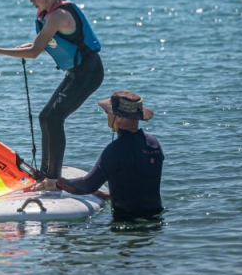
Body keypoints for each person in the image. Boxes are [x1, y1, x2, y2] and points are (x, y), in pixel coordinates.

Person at [0, 0, 103, 189]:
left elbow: (35, 52)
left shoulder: (58, 15)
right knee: (46, 116)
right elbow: (47, 45)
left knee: (55, 118)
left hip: (89, 72)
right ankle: (45, 173)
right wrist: (21, 48)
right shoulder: (49, 15)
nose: (31, 0)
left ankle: (52, 180)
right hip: (76, 72)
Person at [56, 90, 164, 220]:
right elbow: (141, 182)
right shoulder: (154, 143)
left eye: (108, 112)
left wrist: (57, 183)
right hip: (156, 219)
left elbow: (87, 185)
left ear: (119, 117)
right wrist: (110, 195)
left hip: (128, 223)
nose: (106, 114)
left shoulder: (117, 149)